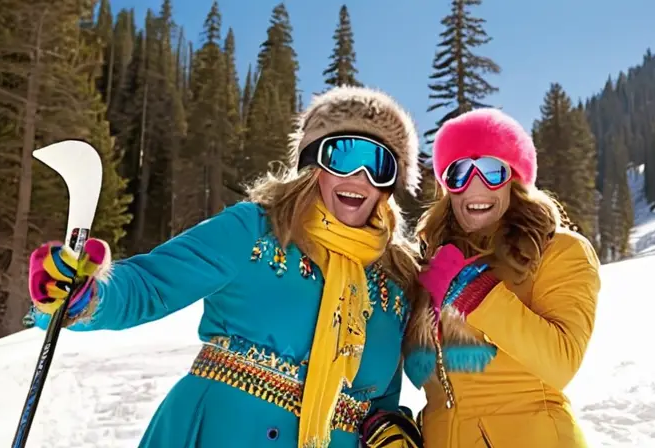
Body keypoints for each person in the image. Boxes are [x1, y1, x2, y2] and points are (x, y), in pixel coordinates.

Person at [26, 86, 430, 448]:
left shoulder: (395, 282)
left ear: (388, 184)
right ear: (312, 165)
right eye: (343, 155)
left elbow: (380, 397)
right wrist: (85, 293)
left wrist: (388, 426)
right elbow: (150, 285)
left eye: (378, 163)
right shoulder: (255, 229)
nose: (358, 175)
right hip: (221, 431)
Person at [413, 108, 601, 447]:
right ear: (447, 188)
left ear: (514, 179)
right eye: (458, 173)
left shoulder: (558, 251)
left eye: (491, 171)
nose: (475, 185)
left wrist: (477, 294)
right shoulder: (432, 265)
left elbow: (562, 363)